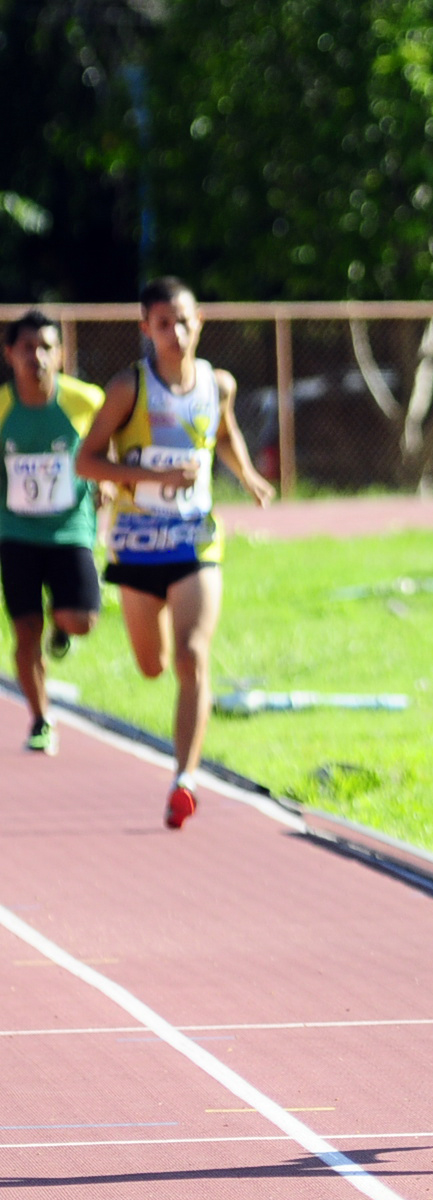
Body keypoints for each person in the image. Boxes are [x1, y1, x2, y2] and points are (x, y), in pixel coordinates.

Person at [74, 277, 275, 827]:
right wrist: (147, 474)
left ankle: (184, 778)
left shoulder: (218, 384)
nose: (177, 333)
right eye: (164, 324)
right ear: (147, 329)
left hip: (195, 540)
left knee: (191, 656)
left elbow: (225, 434)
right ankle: (179, 750)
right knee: (152, 664)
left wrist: (250, 476)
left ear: (200, 320)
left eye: (185, 321)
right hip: (137, 549)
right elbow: (86, 461)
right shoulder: (128, 389)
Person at [1, 311, 105, 754]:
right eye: (28, 349)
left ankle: (62, 625)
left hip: (70, 529)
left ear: (60, 354)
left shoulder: (87, 401)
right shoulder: (3, 406)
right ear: (10, 354)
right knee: (24, 633)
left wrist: (107, 480)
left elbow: (109, 444)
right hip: (16, 532)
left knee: (80, 620)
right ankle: (41, 719)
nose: (37, 358)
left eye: (46, 348)